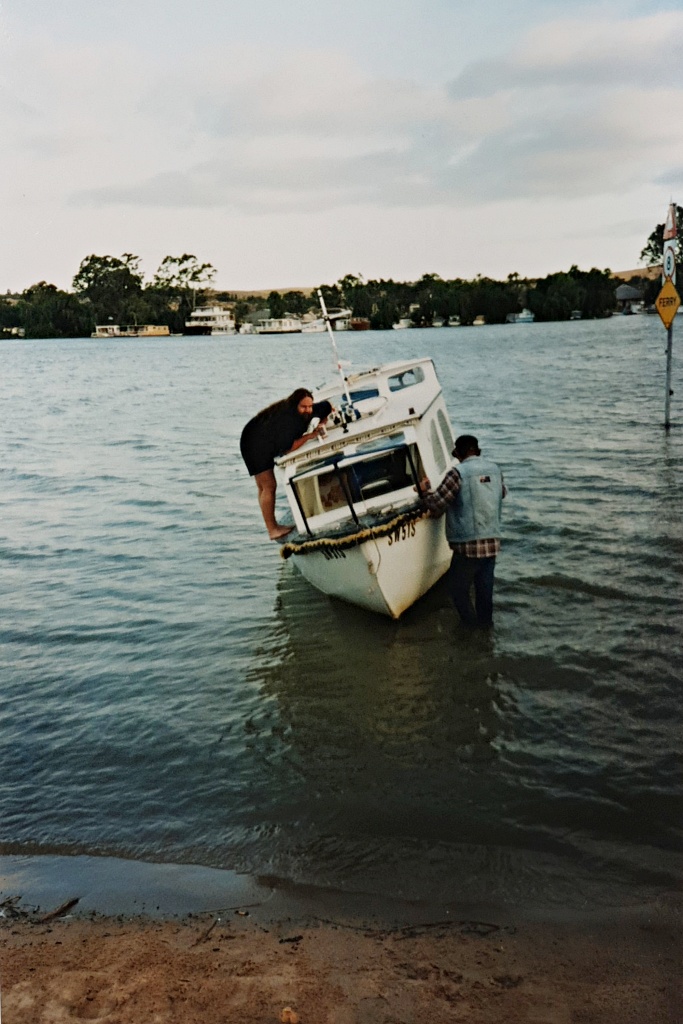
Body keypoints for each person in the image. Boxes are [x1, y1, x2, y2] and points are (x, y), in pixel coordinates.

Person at [421, 434, 506, 627]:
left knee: (457, 590)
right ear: (478, 451)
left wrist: (423, 493)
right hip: (492, 542)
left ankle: (469, 628)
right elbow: (502, 493)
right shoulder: (495, 469)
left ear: (458, 453)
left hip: (468, 546)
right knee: (485, 593)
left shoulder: (457, 473)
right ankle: (485, 631)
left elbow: (437, 504)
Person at [240, 388, 333, 540]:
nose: (308, 410)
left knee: (264, 487)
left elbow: (326, 405)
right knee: (268, 486)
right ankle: (273, 529)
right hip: (254, 443)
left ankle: (272, 526)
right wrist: (310, 436)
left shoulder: (308, 410)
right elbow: (287, 448)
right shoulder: (289, 420)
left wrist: (324, 418)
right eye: (303, 407)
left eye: (310, 406)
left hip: (257, 434)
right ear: (295, 405)